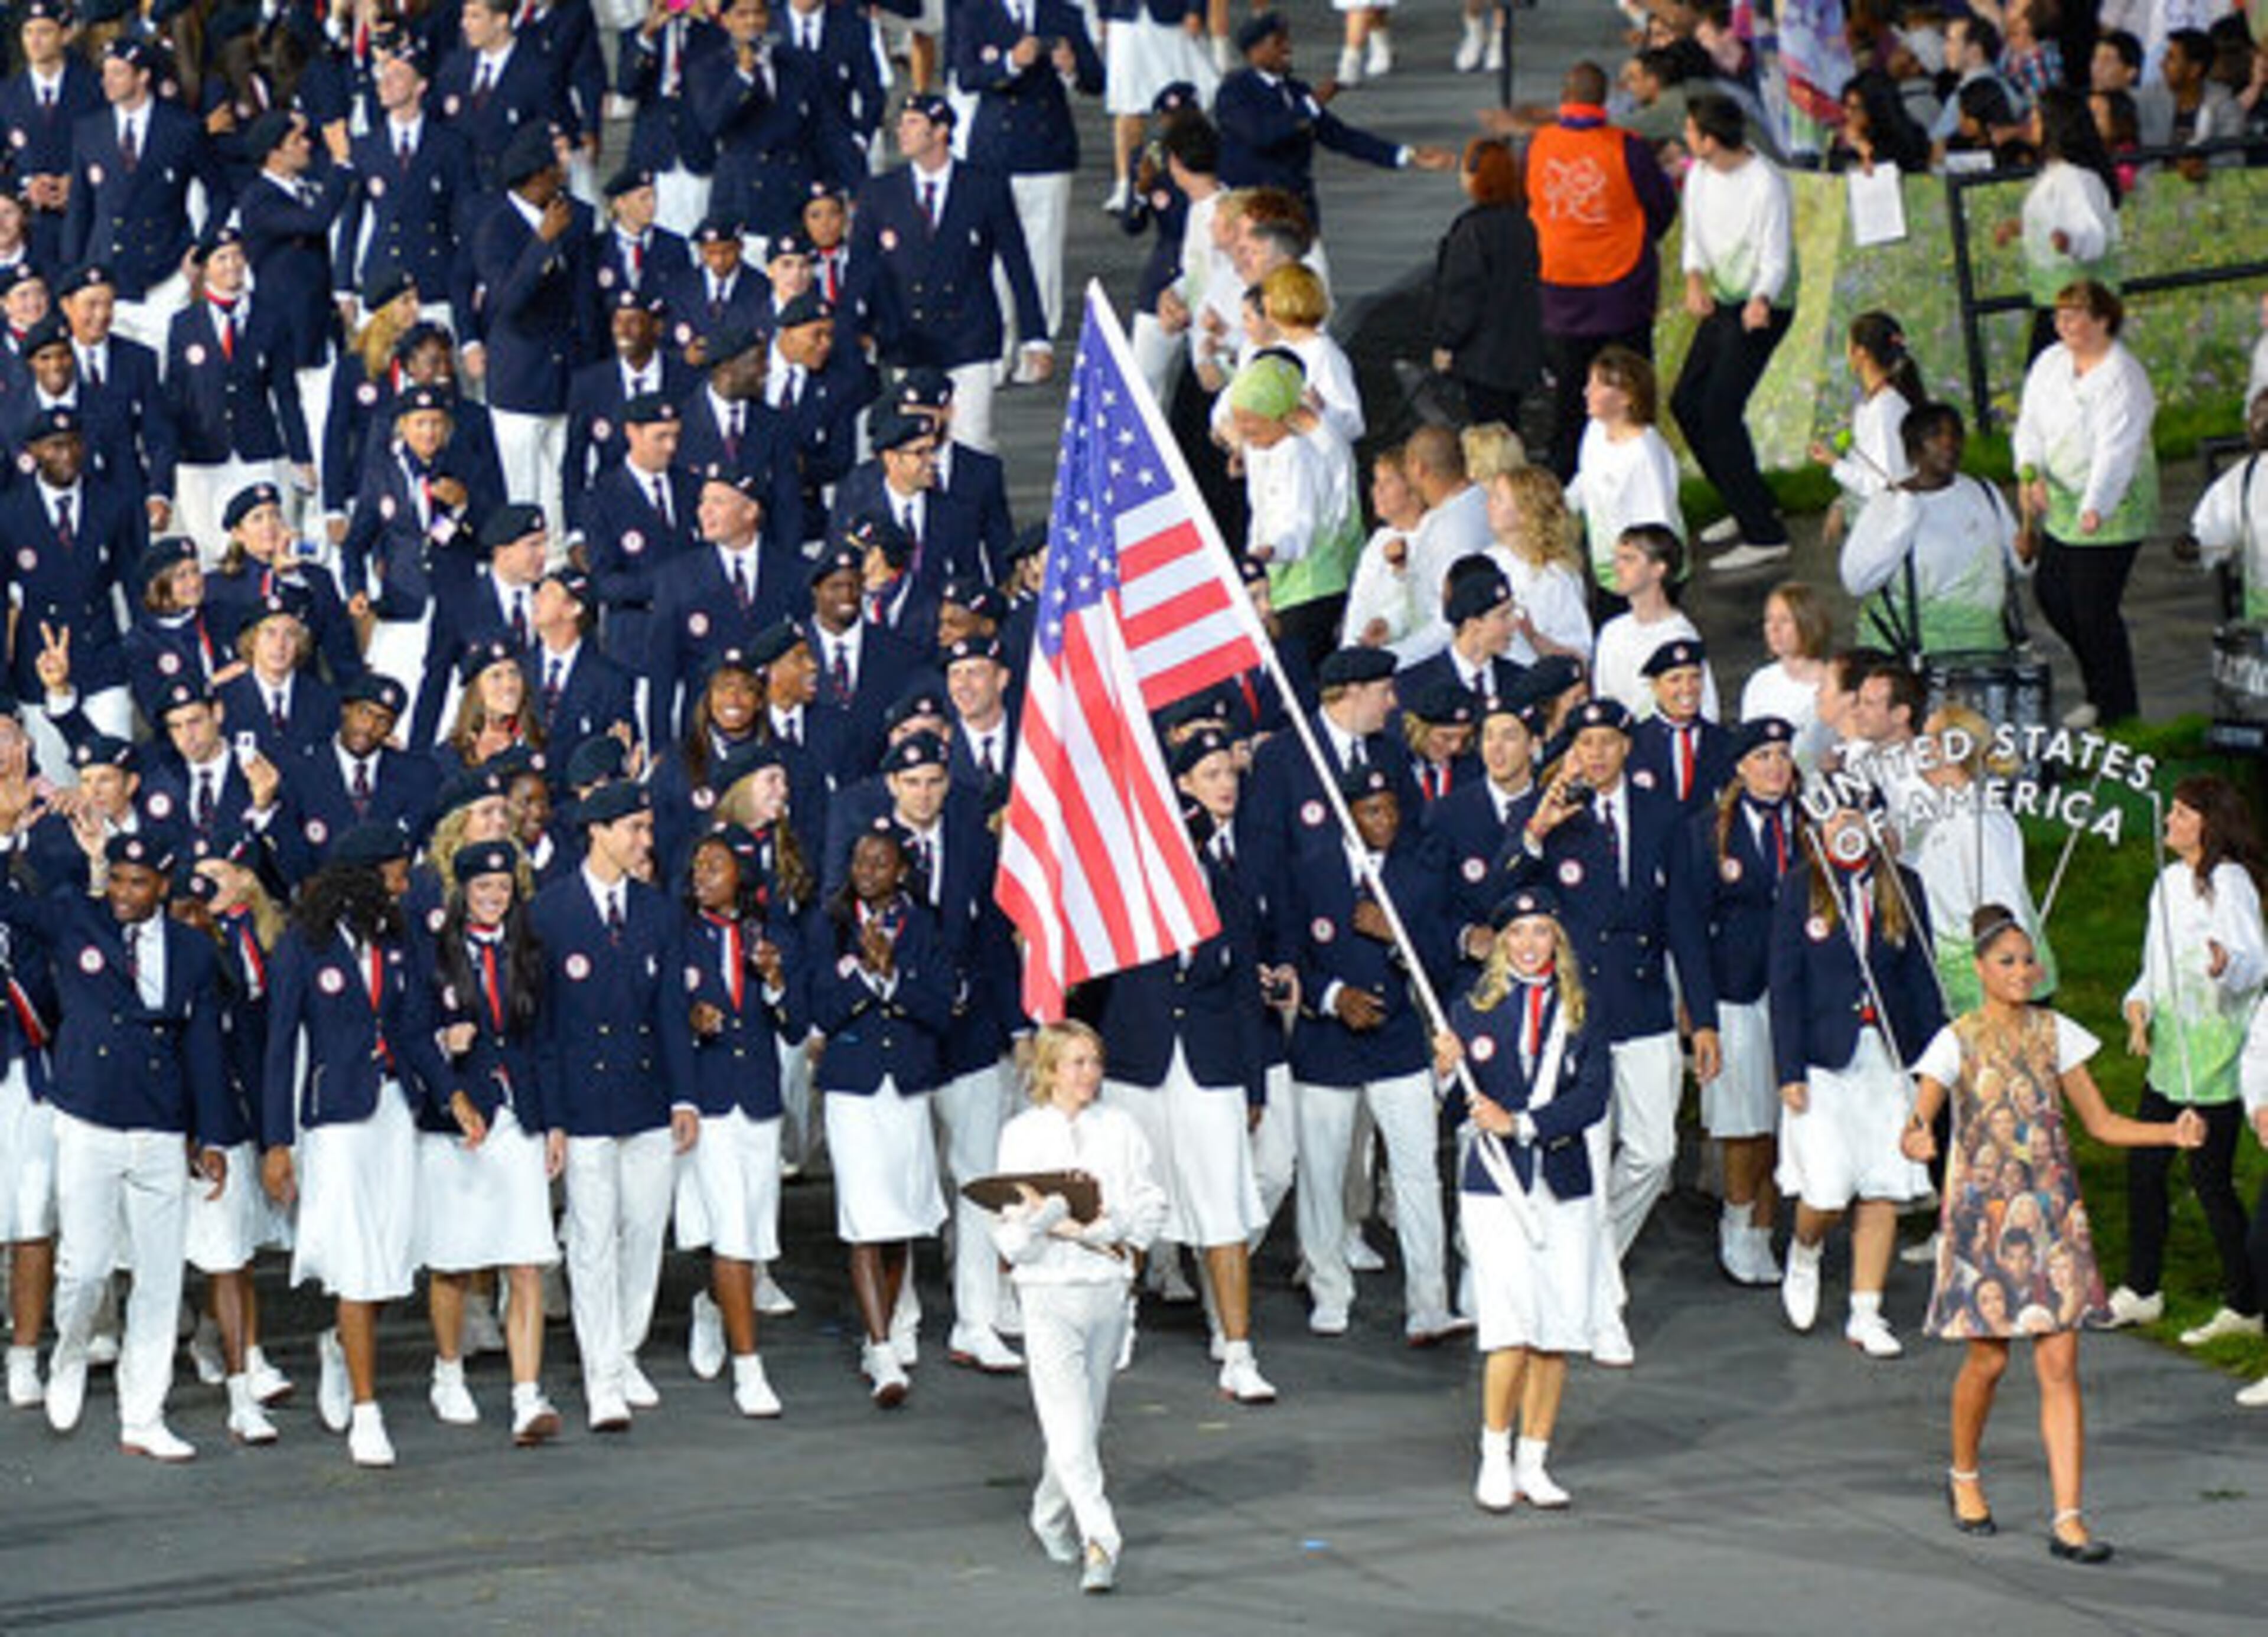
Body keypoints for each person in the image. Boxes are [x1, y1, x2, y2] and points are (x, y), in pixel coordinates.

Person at [1904, 906, 2205, 1562]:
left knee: (2062, 1362)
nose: (2020, 971)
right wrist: (1916, 1134)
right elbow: (1918, 1119)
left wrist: (2168, 1133)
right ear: (1980, 970)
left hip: (2053, 1214)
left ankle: (2069, 1519)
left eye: (2027, 960)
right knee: (1987, 1358)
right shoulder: (1955, 1040)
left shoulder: (2056, 1032)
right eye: (2006, 962)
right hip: (1984, 1216)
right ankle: (1963, 1475)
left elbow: (2100, 1122)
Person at [0, 828, 229, 1462]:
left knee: (159, 1279)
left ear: (164, 883)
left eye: (138, 882)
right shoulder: (76, 917)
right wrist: (7, 832)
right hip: (89, 1117)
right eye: (118, 879)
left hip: (159, 1124)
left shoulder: (190, 950)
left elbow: (203, 1047)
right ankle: (68, 1354)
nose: (124, 894)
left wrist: (209, 1134)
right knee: (87, 1267)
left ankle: (143, 1414)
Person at [1095, 728, 1277, 1402]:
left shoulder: (1225, 890)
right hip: (1136, 1064)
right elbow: (1092, 984)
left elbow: (1241, 995)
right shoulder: (1123, 891)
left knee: (1223, 1212)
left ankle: (1238, 1351)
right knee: (1129, 1205)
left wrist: (1253, 1083)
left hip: (1211, 1067)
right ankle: (1118, 1324)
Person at [261, 822, 449, 1468]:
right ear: (366, 877)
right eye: (396, 873)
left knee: (390, 1256)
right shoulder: (302, 946)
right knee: (356, 1258)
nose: (405, 883)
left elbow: (416, 1028)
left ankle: (341, 1347)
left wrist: (454, 1096)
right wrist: (277, 1143)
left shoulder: (398, 940)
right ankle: (367, 1411)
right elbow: (280, 1049)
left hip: (395, 1113)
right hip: (335, 1118)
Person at [1435, 879, 1613, 1512]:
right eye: (1517, 933)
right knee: (1509, 1326)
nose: (1530, 945)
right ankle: (1494, 1455)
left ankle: (1534, 1461)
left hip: (1562, 1182)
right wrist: (1448, 1070)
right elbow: (1459, 1106)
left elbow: (1592, 1098)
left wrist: (1525, 1124)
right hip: (1495, 1187)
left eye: (1541, 932)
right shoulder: (1470, 1009)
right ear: (1500, 942)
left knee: (1556, 1329)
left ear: (1556, 940)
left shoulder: (1584, 1008)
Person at [529, 780, 700, 1431]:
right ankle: (602, 1372)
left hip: (650, 1094)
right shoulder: (550, 913)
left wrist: (684, 1094)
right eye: (634, 828)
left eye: (648, 828)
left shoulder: (657, 911)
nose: (645, 840)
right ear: (597, 830)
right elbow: (542, 1029)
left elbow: (672, 1015)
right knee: (593, 1238)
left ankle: (625, 1348)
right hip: (583, 1102)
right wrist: (554, 1118)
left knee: (645, 1230)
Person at [990, 1020, 1169, 1594]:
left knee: (1082, 1425)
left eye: (1094, 1061)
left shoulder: (1120, 1128)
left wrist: (1119, 1243)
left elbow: (1146, 1205)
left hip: (1105, 1292)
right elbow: (1012, 1235)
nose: (1089, 1073)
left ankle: (1047, 1513)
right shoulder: (1021, 1135)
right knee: (1068, 1424)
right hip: (1046, 1296)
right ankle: (1102, 1537)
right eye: (1076, 1063)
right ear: (1048, 1070)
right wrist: (1051, 1219)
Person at [1770, 795, 1945, 1358]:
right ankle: (1805, 1250)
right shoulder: (1801, 887)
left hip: (1887, 1058)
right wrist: (1788, 1068)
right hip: (1824, 1061)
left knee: (1882, 1186)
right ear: (1821, 829)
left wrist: (1930, 1069)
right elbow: (1786, 984)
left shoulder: (1904, 885)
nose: (1849, 828)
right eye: (1838, 819)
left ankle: (1865, 1311)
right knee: (1826, 1186)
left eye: (1859, 818)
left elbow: (1922, 978)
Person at [410, 838, 565, 1446]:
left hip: (517, 1117)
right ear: (462, 893)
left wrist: (554, 1122)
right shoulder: (435, 954)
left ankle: (528, 1395)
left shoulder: (529, 953)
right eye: (483, 889)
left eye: (503, 889)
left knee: (524, 1258)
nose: (494, 898)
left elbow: (546, 1040)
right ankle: (448, 1371)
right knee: (452, 1259)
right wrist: (448, 1069)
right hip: (457, 1126)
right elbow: (412, 1034)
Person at [2109, 775, 2266, 1343]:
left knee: (2209, 1178)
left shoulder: (2229, 883)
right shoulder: (2169, 882)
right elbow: (2158, 961)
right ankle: (2142, 1288)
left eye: (2180, 813)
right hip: (2170, 1054)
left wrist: (2228, 964)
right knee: (2145, 1169)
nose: (2170, 822)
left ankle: (2245, 1303)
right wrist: (2139, 1003)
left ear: (2209, 822)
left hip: (2215, 1054)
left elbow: (2254, 960)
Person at [809, 815, 951, 1405]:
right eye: (859, 862)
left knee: (901, 1224)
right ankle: (882, 1348)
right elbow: (819, 1003)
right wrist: (866, 973)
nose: (867, 873)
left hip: (907, 1090)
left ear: (902, 870)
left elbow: (940, 1006)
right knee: (866, 1219)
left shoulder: (924, 926)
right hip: (853, 1089)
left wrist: (894, 973)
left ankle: (883, 1336)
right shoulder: (830, 923)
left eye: (879, 863)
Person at [681, 823, 801, 1419]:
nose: (702, 875)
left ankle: (710, 1305)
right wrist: (689, 1018)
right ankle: (749, 1367)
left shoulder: (770, 936)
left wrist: (777, 982)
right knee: (730, 1231)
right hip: (706, 1102)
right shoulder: (681, 934)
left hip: (756, 1100)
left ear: (742, 878)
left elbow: (798, 1025)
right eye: (697, 865)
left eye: (715, 867)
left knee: (750, 1235)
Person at [1676, 717, 1800, 1285]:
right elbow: (1688, 929)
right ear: (1741, 767)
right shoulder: (1708, 832)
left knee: (1783, 1121)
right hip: (1735, 992)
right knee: (1743, 1120)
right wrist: (1701, 1019)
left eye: (1782, 755)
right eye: (1764, 756)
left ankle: (1763, 1232)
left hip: (1796, 993)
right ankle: (1738, 1221)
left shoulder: (1812, 827)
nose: (1775, 766)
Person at [1516, 63, 1678, 480]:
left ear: (1564, 96)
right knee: (1631, 393)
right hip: (1622, 287)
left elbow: (1526, 205)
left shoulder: (1537, 146)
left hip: (1561, 287)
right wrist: (1640, 240)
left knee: (1571, 398)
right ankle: (1639, 478)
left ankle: (1569, 487)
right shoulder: (1628, 147)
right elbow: (1662, 207)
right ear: (1604, 99)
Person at [2013, 279, 2158, 728]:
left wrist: (2096, 505)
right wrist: (2030, 471)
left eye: (2076, 314)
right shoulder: (2050, 363)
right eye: (2061, 314)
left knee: (2094, 607)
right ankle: (2100, 690)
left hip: (2113, 507)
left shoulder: (2122, 375)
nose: (2065, 323)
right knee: (2053, 595)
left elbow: (2117, 449)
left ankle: (2119, 709)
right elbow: (2030, 424)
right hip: (2060, 501)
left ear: (2103, 320)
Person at [1673, 92, 1795, 574]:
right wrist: (1694, 280)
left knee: (1720, 410)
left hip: (1764, 304)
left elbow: (1777, 256)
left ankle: (1765, 533)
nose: (1685, 137)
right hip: (1723, 300)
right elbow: (1694, 237)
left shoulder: (1766, 182)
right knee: (1687, 402)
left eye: (1690, 131)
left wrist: (1761, 298)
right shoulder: (1700, 174)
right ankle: (1746, 499)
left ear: (1710, 139)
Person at [1210, 12, 1453, 230]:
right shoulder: (1234, 92)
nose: (1288, 48)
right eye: (1278, 42)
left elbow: (1341, 137)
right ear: (1255, 52)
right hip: (1251, 214)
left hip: (1297, 211)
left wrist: (1407, 155)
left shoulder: (1296, 91)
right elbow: (1261, 135)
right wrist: (1312, 105)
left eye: (1287, 40)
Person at [1842, 402, 2023, 658]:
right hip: (1909, 659)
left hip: (1983, 652)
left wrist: (2027, 553)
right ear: (1913, 448)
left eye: (1956, 434)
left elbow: (2019, 563)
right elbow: (1857, 581)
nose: (1949, 443)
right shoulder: (1887, 504)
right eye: (1935, 435)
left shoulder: (1984, 493)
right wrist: (1905, 518)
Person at [1994, 87, 2122, 362]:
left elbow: (2092, 232)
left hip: (2079, 304)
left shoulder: (2077, 178)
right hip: (2057, 300)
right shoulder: (2055, 175)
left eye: (2038, 119)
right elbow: (2052, 218)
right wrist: (2019, 227)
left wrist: (2069, 241)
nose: (2032, 126)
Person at [1429, 137, 1542, 432]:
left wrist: (1446, 341)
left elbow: (1462, 295)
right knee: (1509, 428)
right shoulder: (1524, 224)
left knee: (1487, 435)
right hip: (1520, 350)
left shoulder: (1472, 231)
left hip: (1482, 357)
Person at [1565, 345, 1683, 614]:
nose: (1587, 392)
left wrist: (1640, 581)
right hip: (1609, 570)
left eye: (1599, 385)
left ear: (1627, 397)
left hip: (1639, 579)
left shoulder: (1644, 455)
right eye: (1589, 382)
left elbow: (1658, 527)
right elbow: (1587, 478)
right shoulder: (1595, 431)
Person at [1810, 312, 1925, 549]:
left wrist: (1834, 464)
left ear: (1861, 353)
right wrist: (1842, 504)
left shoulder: (1885, 410)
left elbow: (1885, 485)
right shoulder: (1872, 405)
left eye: (1848, 345)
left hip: (1890, 539)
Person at [1591, 525, 1719, 721]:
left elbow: (1705, 709)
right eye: (1617, 558)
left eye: (1629, 559)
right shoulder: (1612, 632)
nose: (1617, 567)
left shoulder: (1679, 636)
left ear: (1658, 569)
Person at [1739, 581, 1832, 736]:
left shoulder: (1832, 687)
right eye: (1769, 620)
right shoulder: (1760, 682)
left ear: (1807, 623)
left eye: (1784, 620)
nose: (1774, 629)